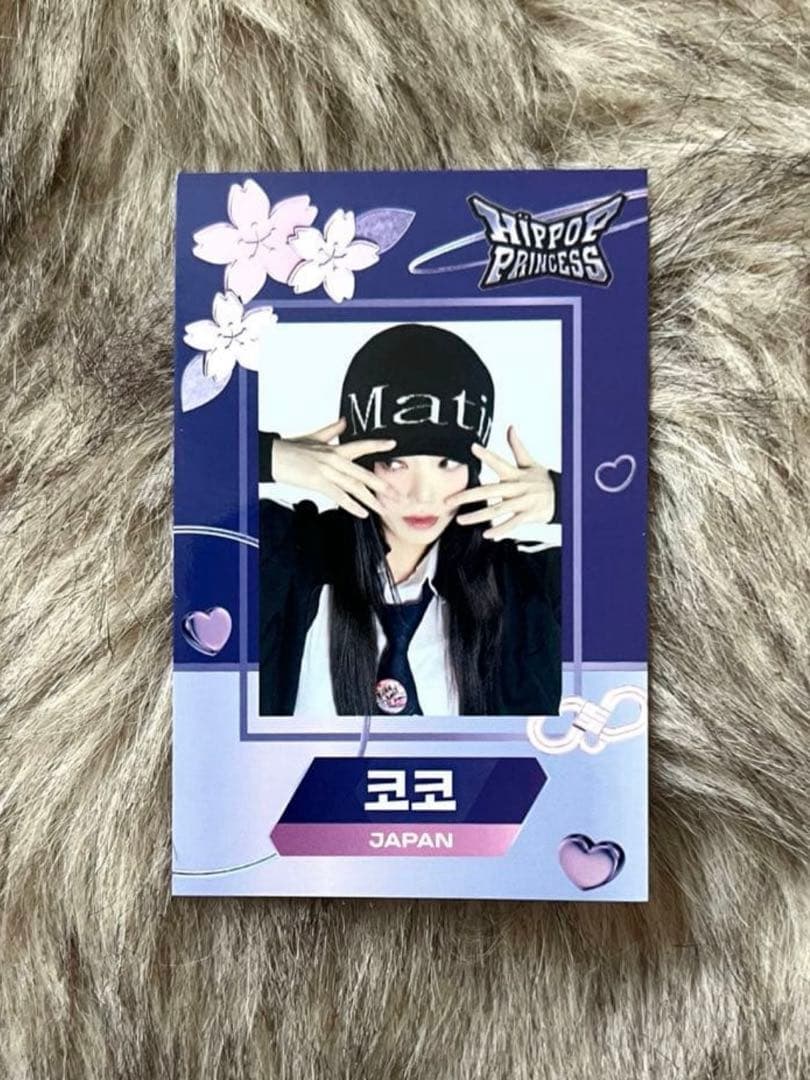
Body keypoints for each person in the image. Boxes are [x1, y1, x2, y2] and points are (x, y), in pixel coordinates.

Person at [259, 323, 561, 718]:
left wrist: (565, 498)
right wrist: (271, 456)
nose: (423, 494)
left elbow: (640, 564)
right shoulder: (282, 556)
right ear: (359, 461)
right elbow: (178, 484)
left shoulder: (526, 586)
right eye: (395, 463)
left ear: (472, 470)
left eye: (447, 463)